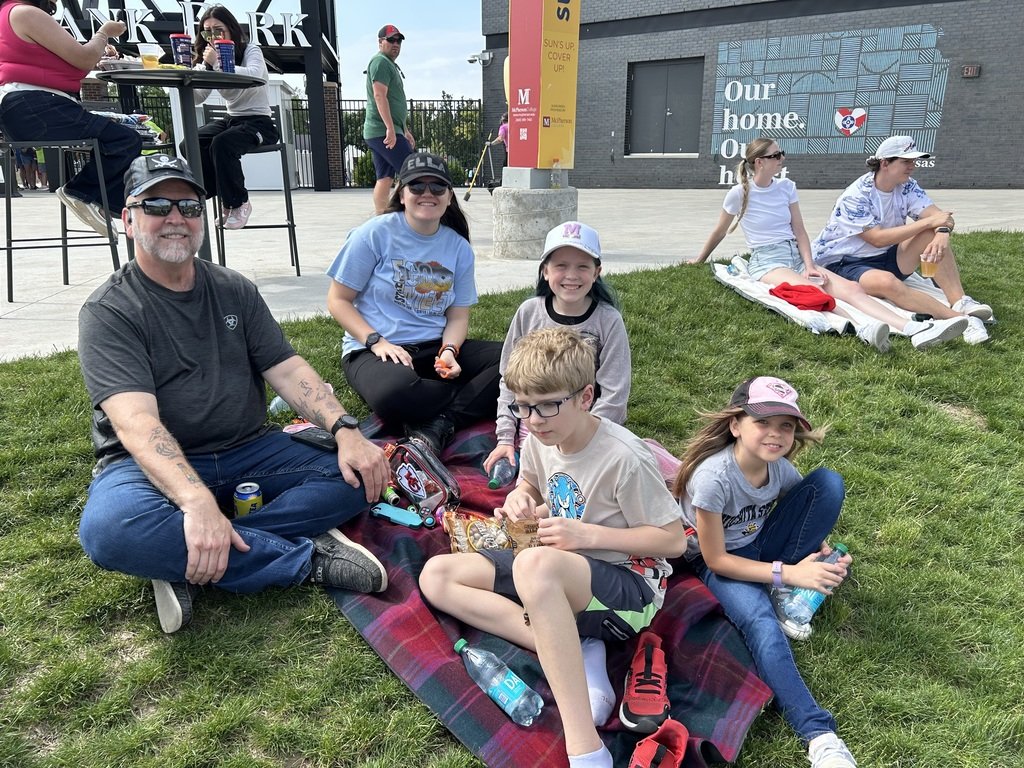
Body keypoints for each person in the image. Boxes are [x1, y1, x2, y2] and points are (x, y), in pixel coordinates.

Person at [77, 154, 390, 635]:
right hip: (149, 467)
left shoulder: (232, 288)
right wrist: (197, 502)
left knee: (361, 470)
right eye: (157, 205)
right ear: (127, 219)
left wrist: (346, 430)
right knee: (111, 530)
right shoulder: (109, 310)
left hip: (249, 450)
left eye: (190, 206)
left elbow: (286, 369)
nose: (176, 218)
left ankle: (188, 557)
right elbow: (136, 424)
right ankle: (304, 559)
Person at [420, 327, 686, 768]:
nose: (535, 419)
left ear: (586, 396)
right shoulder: (540, 441)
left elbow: (672, 540)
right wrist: (520, 498)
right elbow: (532, 485)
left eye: (547, 405)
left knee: (535, 567)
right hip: (559, 568)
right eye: (524, 407)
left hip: (627, 587)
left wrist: (589, 536)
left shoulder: (624, 456)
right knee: (437, 576)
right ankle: (572, 645)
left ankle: (584, 745)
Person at [673, 376, 856, 768]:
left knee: (827, 482)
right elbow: (717, 560)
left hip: (758, 547)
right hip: (716, 561)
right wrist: (791, 575)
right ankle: (820, 735)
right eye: (763, 422)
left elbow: (803, 512)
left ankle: (780, 591)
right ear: (735, 425)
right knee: (762, 625)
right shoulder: (712, 479)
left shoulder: (779, 471)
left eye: (785, 426)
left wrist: (819, 552)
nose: (775, 434)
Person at [691, 138, 966, 351]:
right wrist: (701, 258)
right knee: (818, 291)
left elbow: (799, 229)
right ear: (759, 162)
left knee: (853, 289)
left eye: (781, 153)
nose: (781, 159)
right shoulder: (739, 194)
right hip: (767, 261)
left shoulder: (786, 187)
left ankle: (911, 328)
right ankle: (866, 328)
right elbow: (720, 230)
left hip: (797, 255)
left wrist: (809, 264)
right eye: (775, 155)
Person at [326, 151, 501, 454]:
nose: (427, 194)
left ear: (449, 197)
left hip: (434, 347)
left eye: (437, 187)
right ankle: (475, 399)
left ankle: (443, 421)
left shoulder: (458, 247)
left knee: (517, 357)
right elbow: (338, 300)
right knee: (394, 395)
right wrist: (376, 341)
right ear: (402, 194)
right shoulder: (373, 234)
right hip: (374, 351)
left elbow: (458, 316)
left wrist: (449, 351)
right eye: (417, 186)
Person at [483, 221, 631, 478]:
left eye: (582, 266)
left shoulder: (609, 320)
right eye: (561, 265)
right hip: (537, 423)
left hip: (589, 429)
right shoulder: (528, 313)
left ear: (597, 273)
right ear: (545, 271)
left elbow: (615, 395)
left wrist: (586, 442)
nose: (571, 275)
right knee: (529, 490)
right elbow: (509, 381)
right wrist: (505, 438)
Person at [813, 135, 992, 345]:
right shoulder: (856, 195)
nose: (912, 167)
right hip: (844, 262)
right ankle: (964, 320)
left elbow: (941, 217)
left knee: (931, 236)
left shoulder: (907, 186)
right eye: (906, 161)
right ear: (885, 163)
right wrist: (929, 223)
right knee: (888, 282)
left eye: (914, 161)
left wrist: (942, 232)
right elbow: (877, 239)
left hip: (885, 255)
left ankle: (960, 302)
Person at [0, 0, 142, 235]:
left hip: (26, 107)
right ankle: (83, 193)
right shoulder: (25, 13)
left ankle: (104, 204)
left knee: (120, 138)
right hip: (37, 104)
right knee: (125, 140)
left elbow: (62, 62)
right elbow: (84, 59)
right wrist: (104, 32)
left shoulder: (9, 14)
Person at [189, 5, 278, 230]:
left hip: (259, 122)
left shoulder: (250, 50)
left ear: (231, 30)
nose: (213, 36)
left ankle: (239, 202)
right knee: (191, 142)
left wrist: (219, 63)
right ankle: (220, 195)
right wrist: (203, 69)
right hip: (232, 119)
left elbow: (254, 76)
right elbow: (197, 98)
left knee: (223, 144)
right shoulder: (208, 59)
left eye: (218, 30)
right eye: (207, 32)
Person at [364, 23, 415, 215]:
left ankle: (381, 218)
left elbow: (394, 102)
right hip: (382, 131)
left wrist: (404, 129)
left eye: (399, 41)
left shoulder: (388, 64)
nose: (396, 44)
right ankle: (406, 215)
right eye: (391, 40)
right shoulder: (380, 62)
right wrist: (390, 129)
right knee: (412, 171)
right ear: (380, 42)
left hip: (383, 130)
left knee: (384, 178)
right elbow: (379, 96)